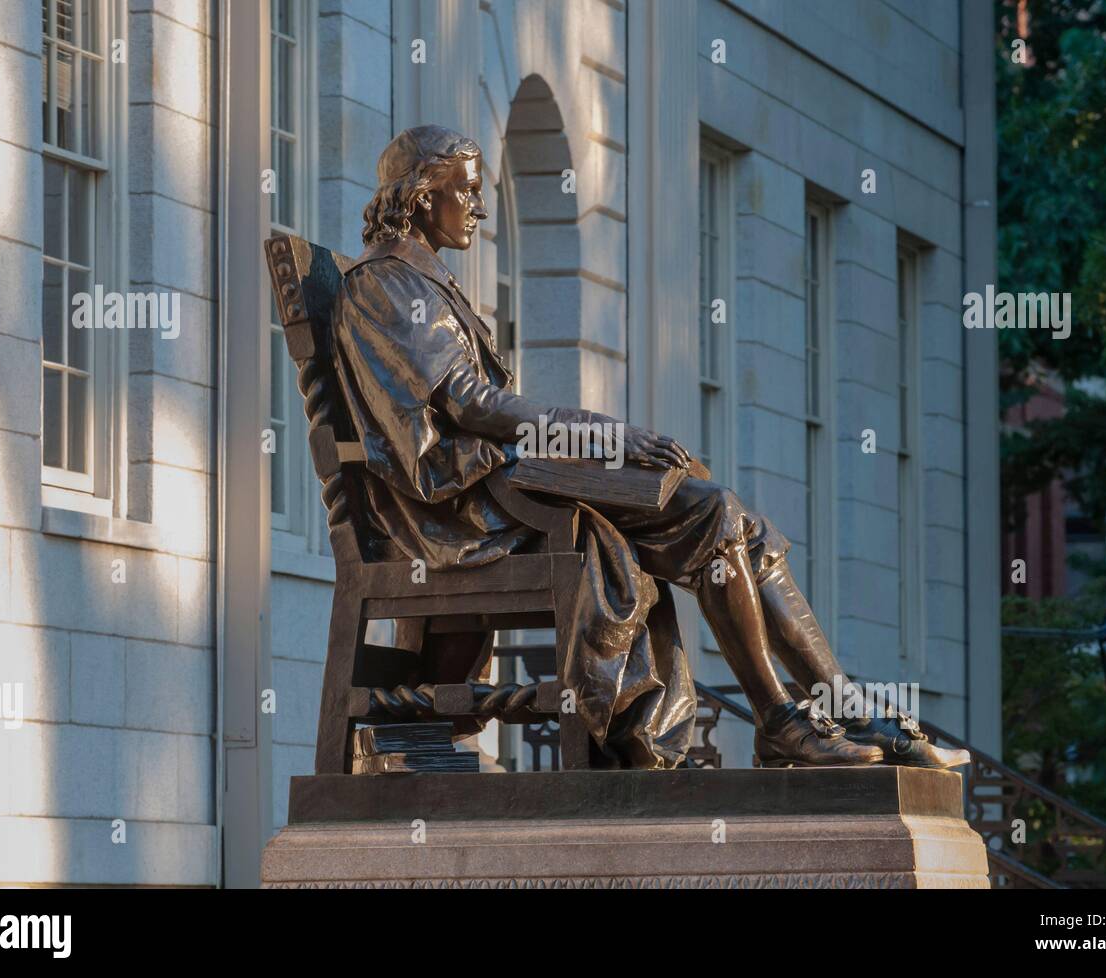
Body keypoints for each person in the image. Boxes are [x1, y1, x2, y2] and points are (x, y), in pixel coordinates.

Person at [331, 125, 968, 771]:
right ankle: (780, 720)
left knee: (738, 524)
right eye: (465, 190)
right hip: (456, 506)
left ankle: (843, 708)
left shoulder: (422, 282)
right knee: (711, 509)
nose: (479, 205)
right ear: (418, 195)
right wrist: (610, 437)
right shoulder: (388, 284)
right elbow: (472, 405)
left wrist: (613, 447)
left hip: (496, 486)